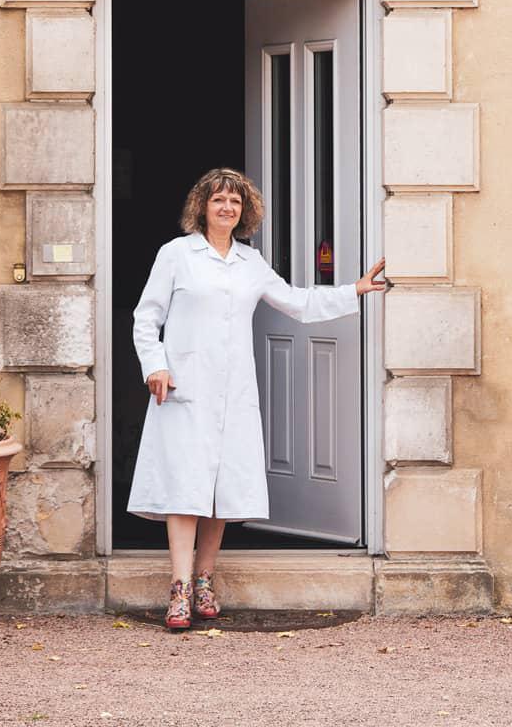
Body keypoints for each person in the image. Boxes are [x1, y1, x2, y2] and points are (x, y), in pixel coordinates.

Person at [128, 167, 386, 629]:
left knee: (223, 489)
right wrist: (156, 366)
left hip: (235, 391)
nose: (227, 207)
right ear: (201, 207)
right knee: (186, 487)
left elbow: (298, 303)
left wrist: (355, 291)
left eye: (235, 201)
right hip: (185, 386)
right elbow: (146, 318)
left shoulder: (251, 263)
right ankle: (180, 588)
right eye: (218, 200)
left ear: (244, 211)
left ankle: (206, 579)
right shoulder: (176, 255)